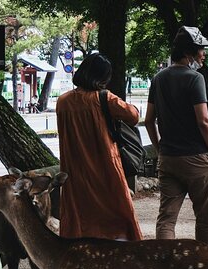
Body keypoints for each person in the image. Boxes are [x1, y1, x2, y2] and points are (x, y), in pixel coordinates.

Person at [144, 26, 208, 247]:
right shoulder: (195, 79)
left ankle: (166, 267)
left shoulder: (158, 79)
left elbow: (149, 119)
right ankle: (205, 268)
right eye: (201, 50)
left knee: (166, 219)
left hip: (168, 159)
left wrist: (160, 150)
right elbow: (204, 120)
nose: (204, 54)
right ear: (189, 53)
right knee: (205, 219)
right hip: (197, 158)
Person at [56, 53, 143, 241]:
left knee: (80, 215)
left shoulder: (63, 101)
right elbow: (133, 116)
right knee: (117, 211)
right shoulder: (104, 98)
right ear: (103, 77)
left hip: (75, 171)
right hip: (106, 168)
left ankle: (81, 251)